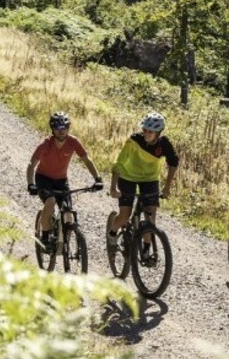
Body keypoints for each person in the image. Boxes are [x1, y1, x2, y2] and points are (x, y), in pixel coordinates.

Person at [107, 111, 179, 263]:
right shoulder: (134, 140)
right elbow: (119, 163)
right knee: (125, 215)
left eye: (150, 131)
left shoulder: (164, 143)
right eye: (144, 129)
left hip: (150, 179)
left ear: (158, 132)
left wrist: (167, 187)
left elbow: (173, 163)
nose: (146, 133)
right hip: (128, 177)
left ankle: (146, 250)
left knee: (150, 217)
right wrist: (113, 187)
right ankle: (112, 233)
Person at [26, 111, 103, 250]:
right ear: (52, 129)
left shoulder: (73, 142)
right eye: (58, 128)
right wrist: (31, 184)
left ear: (68, 128)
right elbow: (32, 164)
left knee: (68, 211)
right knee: (50, 201)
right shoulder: (45, 144)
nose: (61, 131)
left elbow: (87, 160)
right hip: (43, 179)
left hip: (61, 180)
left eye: (64, 128)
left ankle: (66, 239)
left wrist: (97, 179)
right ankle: (44, 237)